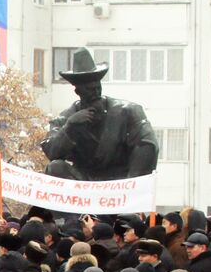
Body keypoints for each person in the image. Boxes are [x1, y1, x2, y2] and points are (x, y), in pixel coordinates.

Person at [41, 47, 159, 181]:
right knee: (56, 167)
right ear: (78, 92)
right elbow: (52, 152)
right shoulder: (65, 119)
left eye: (97, 87)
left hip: (119, 181)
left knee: (145, 146)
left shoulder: (128, 112)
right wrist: (69, 128)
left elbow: (147, 144)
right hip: (83, 182)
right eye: (89, 89)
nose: (96, 93)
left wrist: (132, 183)